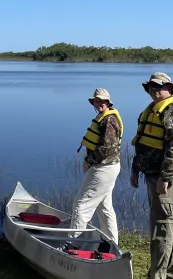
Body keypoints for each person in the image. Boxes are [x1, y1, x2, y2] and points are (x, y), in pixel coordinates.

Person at [130, 72, 173, 279]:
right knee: (169, 226)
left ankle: (156, 276)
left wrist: (165, 178)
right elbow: (143, 141)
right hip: (153, 175)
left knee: (160, 229)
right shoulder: (152, 110)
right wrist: (135, 170)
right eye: (151, 86)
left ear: (170, 88)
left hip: (168, 177)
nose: (155, 90)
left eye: (160, 86)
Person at [69, 88, 122, 247]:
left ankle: (73, 245)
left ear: (108, 103)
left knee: (81, 205)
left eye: (102, 101)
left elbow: (107, 149)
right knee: (104, 206)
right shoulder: (103, 118)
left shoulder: (109, 120)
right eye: (96, 101)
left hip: (103, 168)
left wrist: (89, 160)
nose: (98, 103)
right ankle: (110, 243)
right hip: (108, 167)